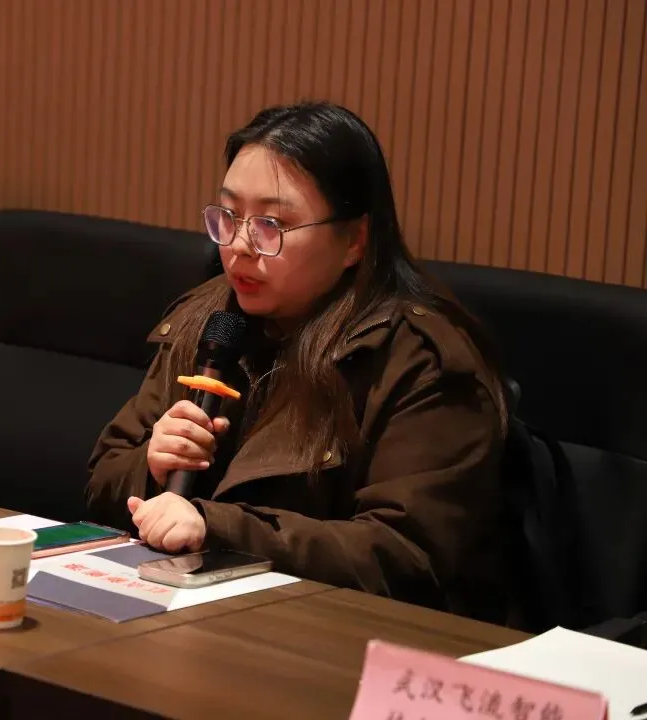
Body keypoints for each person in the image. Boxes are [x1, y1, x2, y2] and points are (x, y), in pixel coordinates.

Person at [86, 101, 510, 623]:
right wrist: (151, 467)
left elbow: (405, 556)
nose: (240, 246)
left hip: (340, 635)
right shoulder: (209, 319)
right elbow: (103, 476)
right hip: (197, 616)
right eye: (229, 217)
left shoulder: (421, 359)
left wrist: (216, 527)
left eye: (272, 224)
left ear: (354, 240)